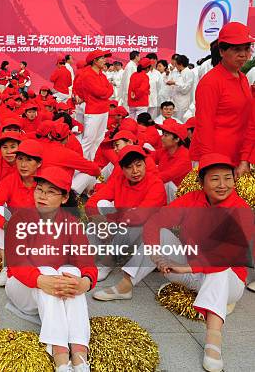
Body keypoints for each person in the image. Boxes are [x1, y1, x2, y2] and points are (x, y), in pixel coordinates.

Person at [93, 153, 252, 372]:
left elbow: (228, 254)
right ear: (201, 181)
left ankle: (213, 340)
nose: (223, 185)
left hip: (227, 282)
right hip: (189, 272)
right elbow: (154, 223)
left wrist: (188, 267)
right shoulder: (191, 200)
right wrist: (157, 255)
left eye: (228, 178)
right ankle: (126, 285)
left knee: (220, 270)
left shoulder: (241, 209)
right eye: (215, 179)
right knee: (163, 234)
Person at [5, 166, 97, 372]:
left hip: (55, 289)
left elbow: (87, 263)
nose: (42, 196)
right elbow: (16, 264)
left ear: (64, 198)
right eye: (39, 189)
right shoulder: (20, 219)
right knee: (49, 271)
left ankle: (79, 358)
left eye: (50, 192)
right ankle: (61, 359)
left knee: (72, 274)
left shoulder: (72, 223)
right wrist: (40, 280)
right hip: (22, 288)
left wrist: (85, 282)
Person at [86, 146, 166, 282]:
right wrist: (101, 223)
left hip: (146, 234)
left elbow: (141, 216)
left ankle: (108, 261)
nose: (135, 171)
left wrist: (110, 224)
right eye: (129, 167)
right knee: (101, 207)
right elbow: (91, 203)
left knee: (137, 223)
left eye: (139, 165)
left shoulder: (155, 184)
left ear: (145, 164)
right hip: (123, 223)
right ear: (122, 170)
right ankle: (91, 256)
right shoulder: (119, 180)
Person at [191, 22, 254, 176]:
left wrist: (244, 158)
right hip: (216, 160)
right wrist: (211, 166)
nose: (243, 55)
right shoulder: (211, 82)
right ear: (221, 51)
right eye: (236, 49)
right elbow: (204, 127)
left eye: (247, 49)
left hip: (236, 157)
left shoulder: (242, 79)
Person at [0, 139, 44, 287]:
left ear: (39, 163)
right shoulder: (10, 180)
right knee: (0, 213)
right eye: (20, 159)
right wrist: (6, 225)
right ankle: (7, 266)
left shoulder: (46, 182)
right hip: (15, 228)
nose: (23, 165)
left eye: (29, 160)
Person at [73, 49, 114, 160]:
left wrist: (107, 90)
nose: (105, 60)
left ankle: (92, 163)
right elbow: (101, 92)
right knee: (88, 141)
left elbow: (109, 91)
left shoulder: (101, 74)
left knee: (98, 140)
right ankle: (80, 166)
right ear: (95, 61)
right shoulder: (87, 75)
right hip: (94, 112)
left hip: (104, 110)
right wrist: (108, 89)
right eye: (102, 58)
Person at [154, 120, 191, 202]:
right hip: (168, 192)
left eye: (166, 135)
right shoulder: (165, 150)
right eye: (163, 134)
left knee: (166, 184)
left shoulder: (185, 157)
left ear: (177, 139)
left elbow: (167, 176)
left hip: (181, 199)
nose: (162, 138)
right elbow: (149, 158)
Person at [166, 54, 194, 121]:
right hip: (174, 101)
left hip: (182, 102)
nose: (175, 66)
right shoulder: (176, 72)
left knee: (180, 121)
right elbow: (169, 81)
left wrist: (175, 83)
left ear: (180, 64)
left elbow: (186, 88)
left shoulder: (189, 73)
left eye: (176, 64)